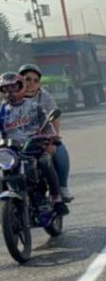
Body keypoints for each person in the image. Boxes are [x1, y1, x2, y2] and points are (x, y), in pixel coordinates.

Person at [0, 72, 67, 214]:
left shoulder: (34, 106)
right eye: (6, 88)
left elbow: (48, 128)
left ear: (21, 86)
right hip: (10, 151)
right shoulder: (1, 110)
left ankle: (57, 198)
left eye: (13, 87)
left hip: (33, 148)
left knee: (45, 162)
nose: (10, 91)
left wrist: (50, 136)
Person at [19, 64, 72, 201]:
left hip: (37, 140)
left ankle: (62, 188)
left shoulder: (45, 97)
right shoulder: (9, 98)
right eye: (27, 79)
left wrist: (53, 138)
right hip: (14, 142)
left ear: (39, 83)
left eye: (35, 80)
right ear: (20, 80)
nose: (31, 83)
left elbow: (54, 119)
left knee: (59, 151)